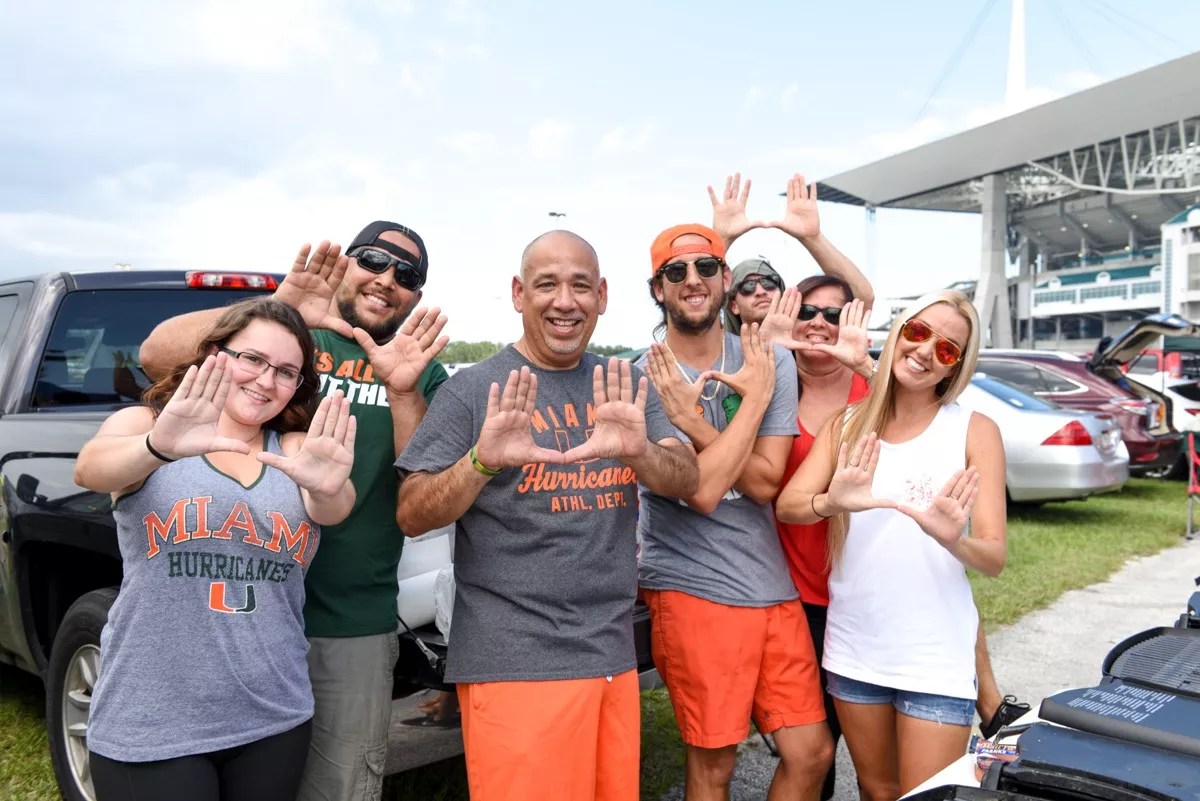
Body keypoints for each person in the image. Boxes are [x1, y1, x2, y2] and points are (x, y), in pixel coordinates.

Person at [141, 222, 449, 801]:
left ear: (415, 296)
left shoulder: (419, 368)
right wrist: (281, 306)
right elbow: (156, 354)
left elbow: (421, 486)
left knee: (338, 787)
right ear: (346, 263)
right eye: (373, 260)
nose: (386, 279)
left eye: (406, 275)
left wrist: (404, 390)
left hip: (348, 619)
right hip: (235, 618)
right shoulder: (287, 341)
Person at [394, 230, 699, 801]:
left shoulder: (625, 384)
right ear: (518, 293)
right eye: (547, 285)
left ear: (602, 296)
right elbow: (412, 513)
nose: (565, 301)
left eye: (581, 286)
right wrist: (481, 462)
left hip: (609, 653)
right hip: (515, 660)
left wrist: (639, 452)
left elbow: (686, 479)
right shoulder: (474, 390)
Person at [76, 298, 356, 801]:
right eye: (253, 359)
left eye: (286, 372)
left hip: (274, 716)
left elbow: (333, 506)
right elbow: (90, 469)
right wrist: (157, 446)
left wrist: (328, 485)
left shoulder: (294, 449)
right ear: (214, 354)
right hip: (154, 719)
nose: (266, 381)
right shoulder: (147, 424)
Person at [776, 290, 1008, 800]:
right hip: (855, 649)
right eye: (918, 333)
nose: (924, 351)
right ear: (899, 331)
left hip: (935, 656)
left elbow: (993, 557)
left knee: (924, 797)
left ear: (955, 366)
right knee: (877, 792)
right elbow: (789, 506)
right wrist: (831, 501)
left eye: (946, 349)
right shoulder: (846, 424)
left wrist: (954, 540)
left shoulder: (975, 430)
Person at [638, 223, 833, 801]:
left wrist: (696, 422)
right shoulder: (644, 376)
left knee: (812, 752)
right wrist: (749, 406)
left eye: (705, 267)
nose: (692, 280)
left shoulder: (767, 359)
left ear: (725, 278)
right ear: (658, 289)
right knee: (714, 765)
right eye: (676, 272)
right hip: (693, 586)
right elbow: (700, 491)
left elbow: (768, 481)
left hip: (770, 584)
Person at [711, 172, 874, 333]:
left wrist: (813, 239)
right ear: (733, 305)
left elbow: (861, 298)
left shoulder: (805, 338)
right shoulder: (719, 346)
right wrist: (723, 239)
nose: (760, 292)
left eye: (770, 282)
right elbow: (699, 299)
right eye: (748, 287)